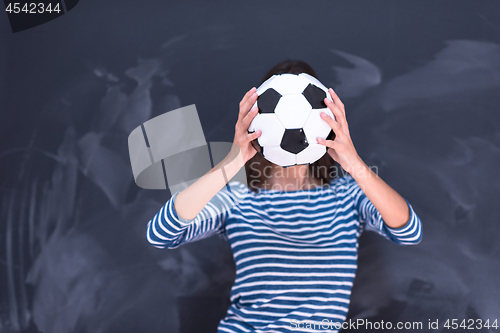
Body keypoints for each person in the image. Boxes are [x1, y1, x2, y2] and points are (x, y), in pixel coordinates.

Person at [146, 60, 422, 333]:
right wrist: (232, 160)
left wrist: (354, 162)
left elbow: (409, 232)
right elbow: (161, 234)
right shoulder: (238, 196)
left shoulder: (348, 195)